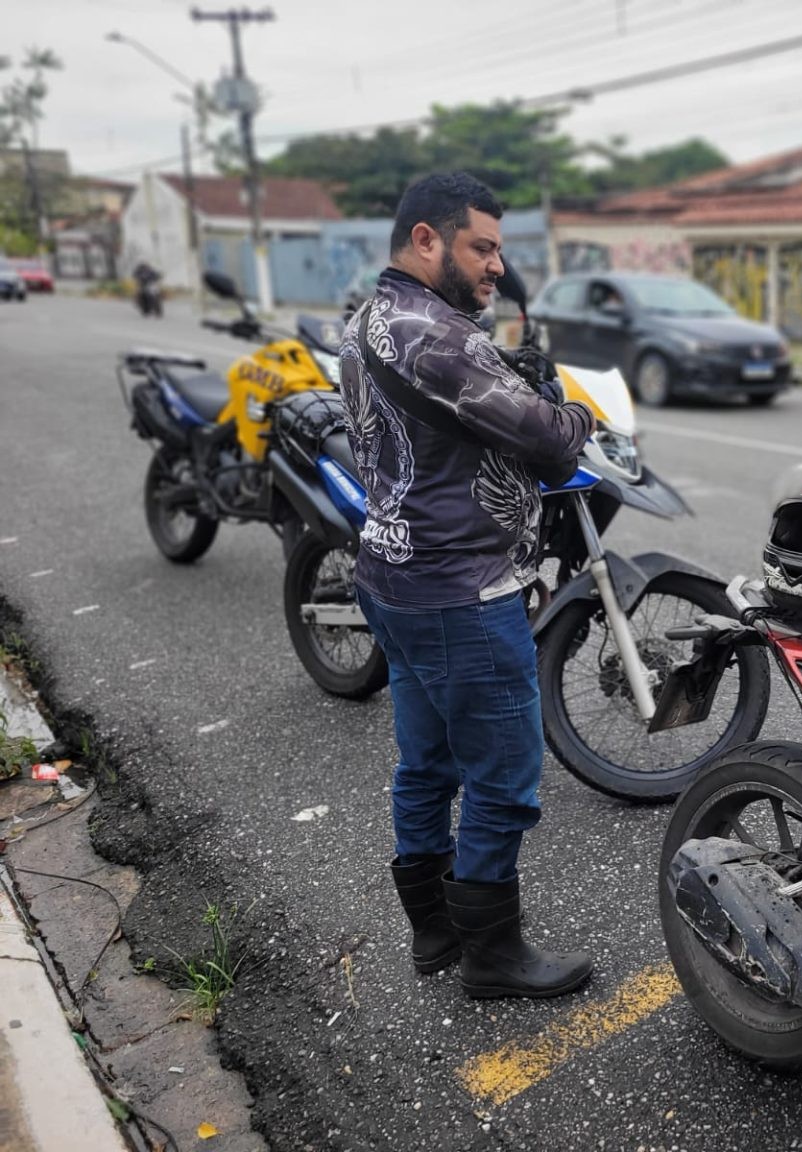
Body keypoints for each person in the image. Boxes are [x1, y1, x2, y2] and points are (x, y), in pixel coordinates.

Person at [337, 171, 596, 1000]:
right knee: (503, 776)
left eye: (498, 251)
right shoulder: (439, 338)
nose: (495, 267)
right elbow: (553, 443)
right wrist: (571, 409)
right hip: (461, 591)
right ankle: (493, 953)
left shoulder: (371, 318)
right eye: (481, 247)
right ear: (426, 240)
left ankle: (435, 930)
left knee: (427, 762)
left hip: (394, 577)